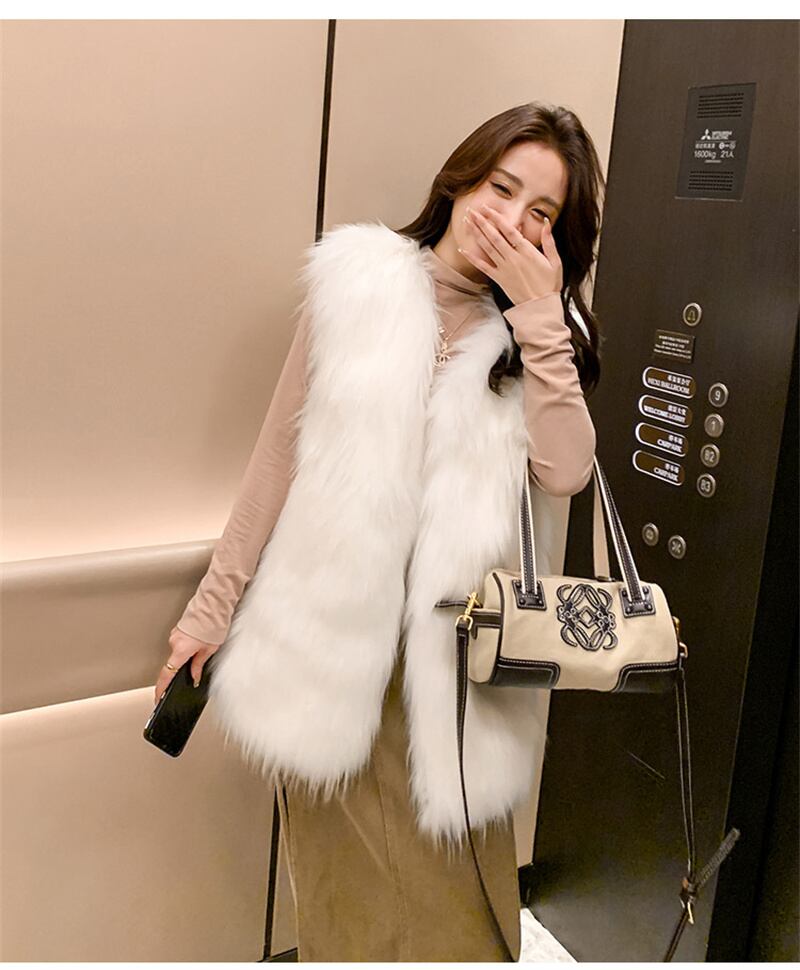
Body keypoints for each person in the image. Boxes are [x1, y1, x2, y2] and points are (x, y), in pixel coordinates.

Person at [154, 101, 604, 962]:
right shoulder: (356, 287)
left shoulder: (539, 339)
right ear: (460, 181)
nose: (511, 218)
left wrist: (542, 320)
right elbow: (275, 459)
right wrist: (210, 609)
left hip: (458, 677)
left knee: (461, 920)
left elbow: (566, 472)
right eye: (501, 187)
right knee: (348, 911)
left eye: (541, 211)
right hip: (332, 654)